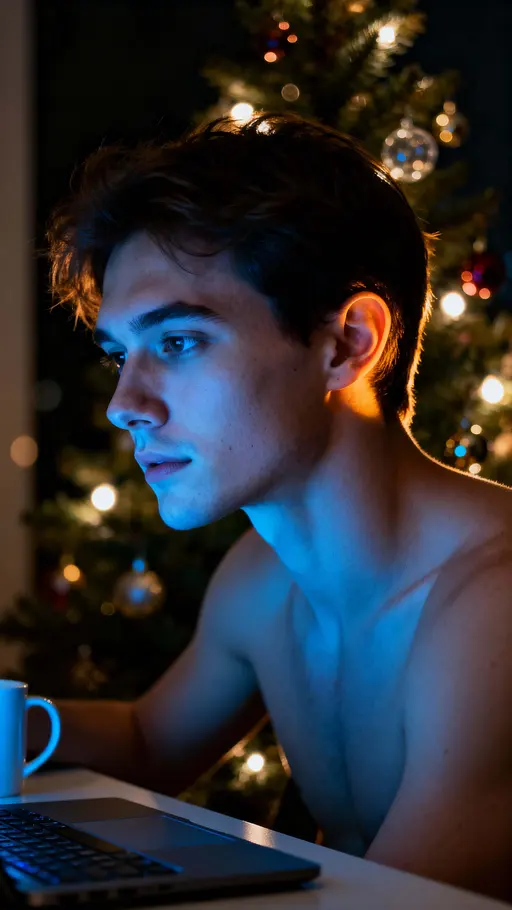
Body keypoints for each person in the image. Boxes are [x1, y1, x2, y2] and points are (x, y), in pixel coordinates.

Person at [30, 112, 512, 902]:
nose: (124, 404)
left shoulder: (495, 604)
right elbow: (150, 741)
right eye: (121, 354)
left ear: (348, 344)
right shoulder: (262, 579)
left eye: (178, 341)